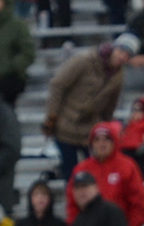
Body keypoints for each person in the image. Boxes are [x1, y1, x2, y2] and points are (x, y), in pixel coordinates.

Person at [43, 36, 132, 180]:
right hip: (66, 126)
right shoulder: (84, 61)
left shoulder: (118, 77)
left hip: (91, 131)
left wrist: (105, 127)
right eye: (121, 51)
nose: (122, 57)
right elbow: (58, 85)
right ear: (113, 48)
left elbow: (110, 106)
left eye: (127, 55)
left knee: (95, 176)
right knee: (70, 176)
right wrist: (51, 116)